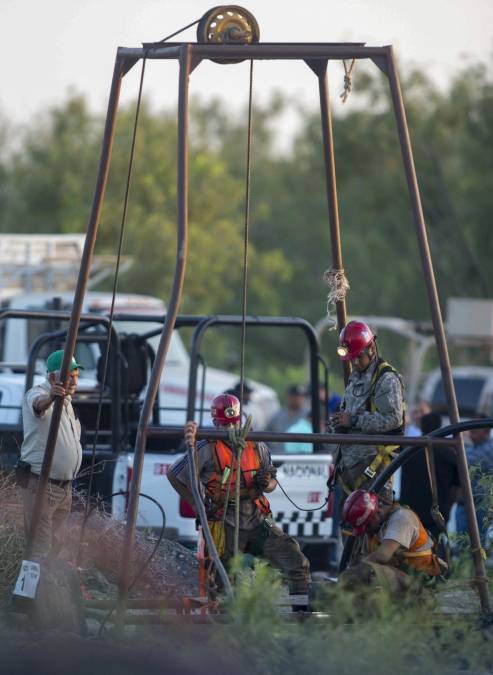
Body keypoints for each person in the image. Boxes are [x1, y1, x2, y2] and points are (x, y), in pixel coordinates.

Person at [167, 393, 310, 595]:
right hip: (224, 524)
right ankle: (221, 621)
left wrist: (266, 482)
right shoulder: (206, 447)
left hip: (257, 520)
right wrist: (197, 503)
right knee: (221, 582)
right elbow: (174, 474)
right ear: (216, 422)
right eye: (224, 425)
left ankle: (301, 613)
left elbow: (272, 483)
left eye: (232, 424)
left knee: (296, 561)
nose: (228, 430)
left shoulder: (256, 444)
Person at [330, 320, 405, 504]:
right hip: (349, 466)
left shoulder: (386, 379)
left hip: (374, 467)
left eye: (358, 357)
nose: (354, 363)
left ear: (371, 347)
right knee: (348, 528)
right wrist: (340, 424)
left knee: (374, 524)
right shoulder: (355, 377)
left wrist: (353, 421)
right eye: (351, 358)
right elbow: (349, 412)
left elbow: (394, 419)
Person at [19, 349, 83, 558]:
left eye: (76, 375)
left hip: (64, 490)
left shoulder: (67, 403)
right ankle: (29, 590)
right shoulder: (37, 393)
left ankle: (43, 589)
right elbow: (39, 404)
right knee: (40, 550)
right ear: (53, 377)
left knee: (54, 550)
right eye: (70, 376)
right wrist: (51, 397)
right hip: (42, 487)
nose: (75, 380)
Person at [339, 489, 442, 595]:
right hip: (404, 583)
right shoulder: (375, 529)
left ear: (376, 512)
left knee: (372, 573)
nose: (366, 530)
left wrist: (353, 573)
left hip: (423, 588)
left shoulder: (402, 518)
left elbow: (382, 555)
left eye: (367, 525)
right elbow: (361, 560)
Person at [400, 412, 460, 539]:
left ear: (421, 427)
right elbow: (460, 484)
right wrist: (449, 504)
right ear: (440, 427)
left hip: (408, 512)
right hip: (437, 514)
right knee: (435, 552)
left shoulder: (408, 449)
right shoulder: (449, 452)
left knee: (407, 551)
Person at [455, 417, 493, 546]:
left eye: (475, 429)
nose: (471, 431)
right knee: (466, 546)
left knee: (474, 546)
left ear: (486, 432)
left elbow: (465, 460)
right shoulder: (474, 447)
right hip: (468, 504)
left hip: (478, 505)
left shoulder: (489, 447)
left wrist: (458, 440)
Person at [267, 384, 307, 452]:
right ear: (289, 396)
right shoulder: (278, 415)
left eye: (301, 396)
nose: (298, 399)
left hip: (301, 456)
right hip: (278, 455)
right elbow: (266, 434)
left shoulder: (307, 416)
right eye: (295, 396)